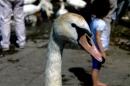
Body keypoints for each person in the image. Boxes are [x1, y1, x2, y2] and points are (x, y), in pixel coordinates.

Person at [90, 0, 110, 86]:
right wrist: (102, 52)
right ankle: (95, 84)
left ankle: (96, 81)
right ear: (106, 12)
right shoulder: (101, 23)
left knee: (96, 66)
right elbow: (98, 38)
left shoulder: (93, 21)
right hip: (98, 50)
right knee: (96, 68)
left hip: (94, 48)